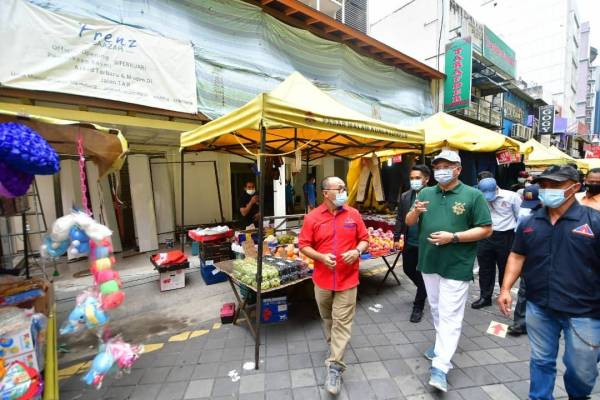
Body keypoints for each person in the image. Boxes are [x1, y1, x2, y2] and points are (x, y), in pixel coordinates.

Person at [498, 165, 600, 400]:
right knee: (541, 360)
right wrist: (505, 289)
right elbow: (517, 255)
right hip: (539, 306)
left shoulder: (593, 221)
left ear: (575, 187)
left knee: (582, 370)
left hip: (584, 311)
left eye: (555, 185)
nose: (547, 190)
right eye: (543, 185)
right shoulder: (530, 222)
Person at [405, 149, 492, 392]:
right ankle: (441, 345)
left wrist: (453, 237)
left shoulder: (473, 195)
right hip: (429, 261)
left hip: (457, 264)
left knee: (450, 315)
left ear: (458, 169)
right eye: (438, 166)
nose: (441, 170)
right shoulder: (425, 192)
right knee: (435, 308)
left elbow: (486, 229)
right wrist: (415, 211)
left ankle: (440, 366)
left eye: (447, 165)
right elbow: (410, 222)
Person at [298, 176, 369, 396]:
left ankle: (335, 365)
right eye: (339, 189)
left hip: (348, 279)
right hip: (322, 280)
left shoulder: (353, 214)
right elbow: (303, 245)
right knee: (328, 318)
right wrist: (320, 256)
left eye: (344, 189)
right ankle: (335, 345)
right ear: (325, 192)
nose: (343, 192)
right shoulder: (312, 217)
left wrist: (357, 251)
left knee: (342, 321)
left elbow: (365, 239)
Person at [472, 177, 521, 309]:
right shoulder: (477, 196)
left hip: (506, 236)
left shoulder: (511, 197)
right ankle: (485, 297)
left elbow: (519, 216)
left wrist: (518, 237)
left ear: (496, 188)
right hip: (485, 234)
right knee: (485, 268)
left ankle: (504, 294)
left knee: (505, 267)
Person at [393, 164, 430, 323]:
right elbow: (401, 218)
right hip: (410, 241)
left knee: (423, 274)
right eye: (412, 178)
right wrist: (396, 237)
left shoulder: (434, 196)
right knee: (408, 269)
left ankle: (418, 306)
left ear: (426, 179)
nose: (414, 181)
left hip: (427, 243)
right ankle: (426, 289)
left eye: (417, 178)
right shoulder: (405, 196)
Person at [507, 183, 542, 336]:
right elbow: (518, 250)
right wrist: (505, 289)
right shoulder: (527, 215)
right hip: (530, 259)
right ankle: (520, 323)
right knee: (524, 291)